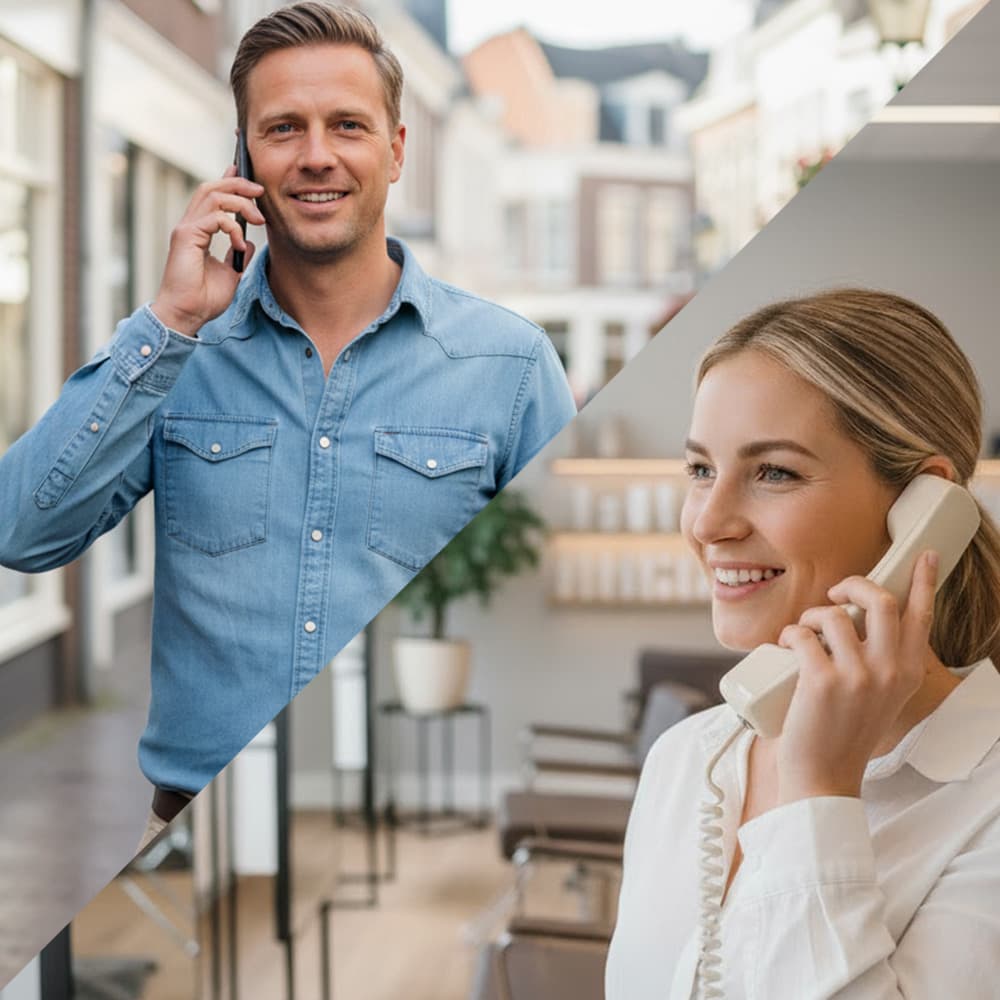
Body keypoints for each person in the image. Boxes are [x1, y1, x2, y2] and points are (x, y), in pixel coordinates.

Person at [0, 2, 575, 844]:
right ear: (242, 159)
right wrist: (168, 322)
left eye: (347, 125)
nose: (316, 156)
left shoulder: (510, 366)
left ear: (397, 150)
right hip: (197, 834)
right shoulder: (175, 355)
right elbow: (21, 532)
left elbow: (553, 607)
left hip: (424, 828)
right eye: (282, 129)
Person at [605, 289, 1000, 999]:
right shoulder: (687, 760)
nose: (709, 523)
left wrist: (819, 792)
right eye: (701, 470)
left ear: (924, 507)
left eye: (774, 472)